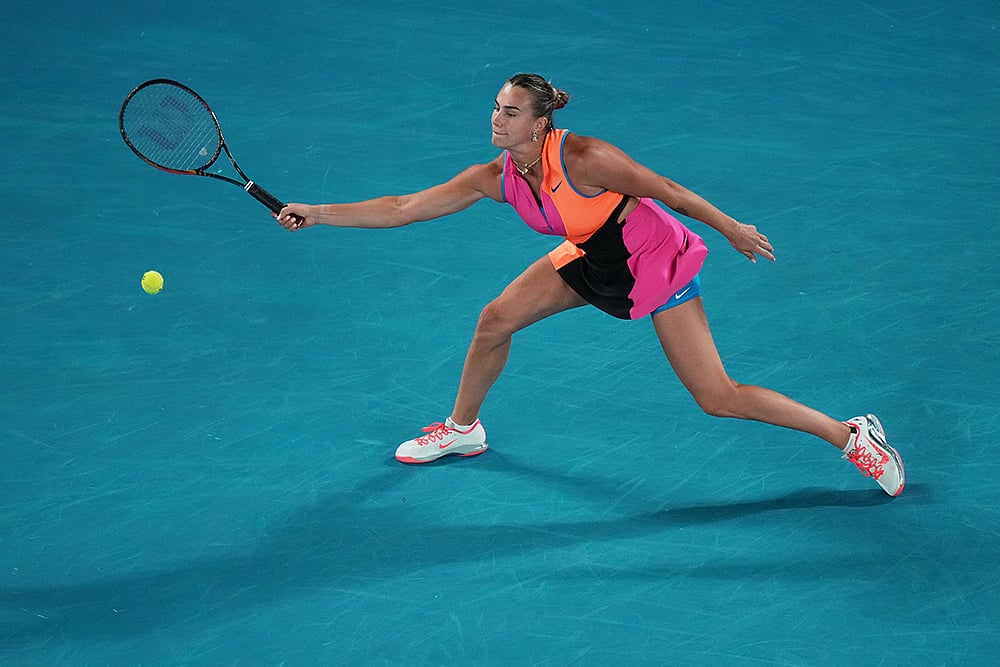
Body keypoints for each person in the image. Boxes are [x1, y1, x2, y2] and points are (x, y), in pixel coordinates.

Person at [276, 73, 904, 496]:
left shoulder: (585, 159)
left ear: (540, 122)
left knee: (717, 396)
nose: (497, 119)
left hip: (650, 259)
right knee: (495, 319)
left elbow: (670, 191)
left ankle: (851, 436)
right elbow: (405, 207)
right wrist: (318, 212)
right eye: (495, 107)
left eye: (511, 112)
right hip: (590, 255)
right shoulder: (497, 175)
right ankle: (464, 429)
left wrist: (732, 228)